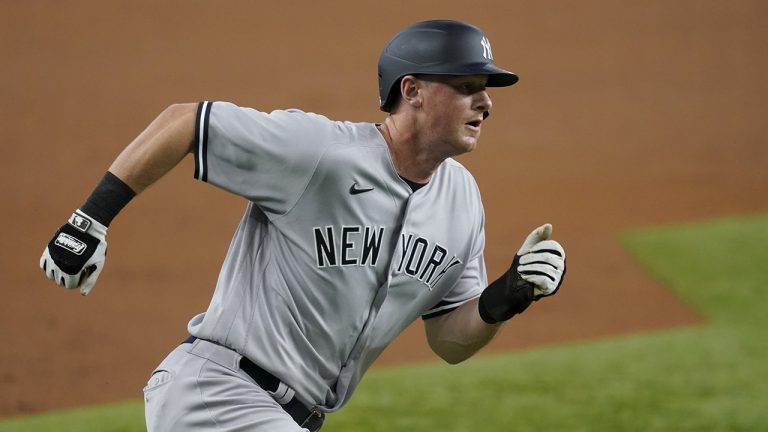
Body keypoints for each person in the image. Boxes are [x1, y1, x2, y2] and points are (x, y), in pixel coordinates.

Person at [39, 20, 566, 432]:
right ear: (412, 91)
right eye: (467, 85)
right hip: (220, 393)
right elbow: (185, 122)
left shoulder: (462, 202)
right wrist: (87, 222)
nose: (487, 103)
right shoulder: (320, 152)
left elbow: (449, 341)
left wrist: (507, 296)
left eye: (487, 88)